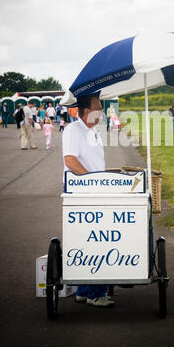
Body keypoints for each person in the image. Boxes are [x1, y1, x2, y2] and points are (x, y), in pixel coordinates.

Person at [62, 93, 115, 308]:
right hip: (83, 193)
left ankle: (84, 291)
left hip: (95, 192)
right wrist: (92, 181)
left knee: (88, 240)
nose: (101, 111)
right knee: (96, 241)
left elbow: (93, 163)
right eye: (98, 107)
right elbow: (70, 160)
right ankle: (95, 293)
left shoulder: (93, 131)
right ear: (86, 111)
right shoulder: (74, 130)